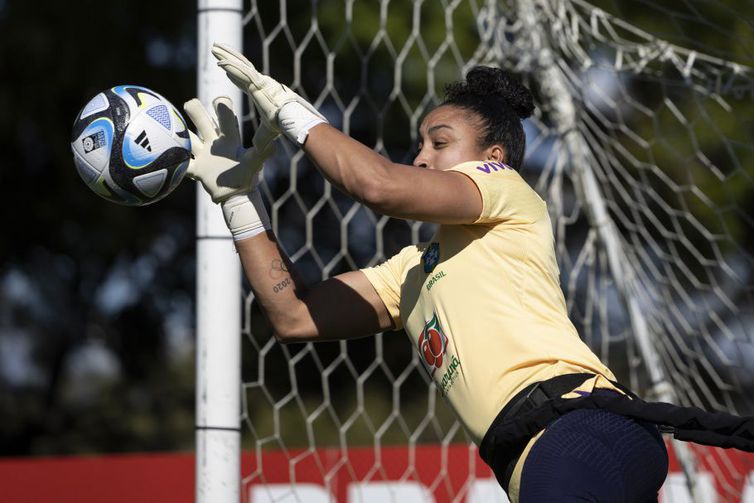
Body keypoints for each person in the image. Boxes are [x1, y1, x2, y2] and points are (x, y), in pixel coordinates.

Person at [183, 46, 672, 502]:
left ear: (492, 158)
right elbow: (293, 317)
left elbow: (377, 185)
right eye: (420, 144)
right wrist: (240, 201)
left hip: (579, 429)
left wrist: (289, 109)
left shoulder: (506, 190)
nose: (421, 156)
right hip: (537, 459)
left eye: (440, 142)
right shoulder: (410, 272)